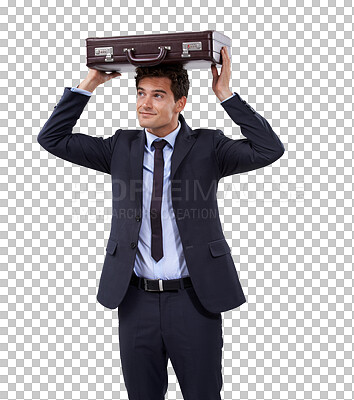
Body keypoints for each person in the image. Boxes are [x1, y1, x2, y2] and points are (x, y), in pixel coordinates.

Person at [37, 46, 285, 400]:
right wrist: (90, 82)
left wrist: (225, 94)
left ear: (179, 104)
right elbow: (52, 139)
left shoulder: (208, 146)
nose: (145, 104)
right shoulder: (120, 146)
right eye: (140, 94)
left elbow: (268, 149)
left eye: (157, 95)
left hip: (194, 299)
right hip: (134, 299)